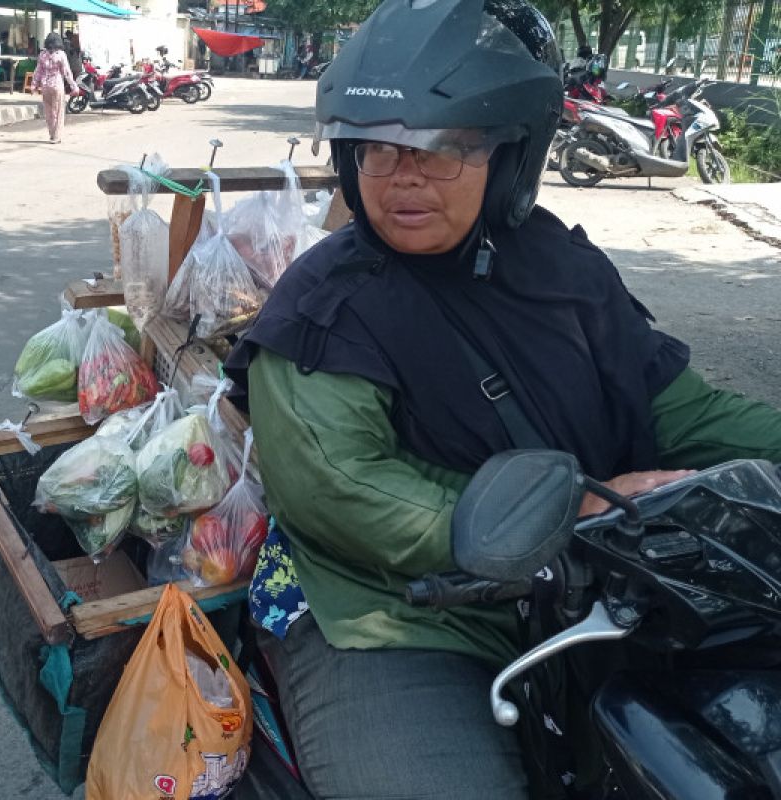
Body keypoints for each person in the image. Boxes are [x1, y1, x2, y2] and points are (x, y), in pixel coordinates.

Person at [225, 0, 781, 797]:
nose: (405, 178)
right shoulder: (327, 306)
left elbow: (676, 409)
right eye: (378, 151)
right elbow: (342, 488)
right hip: (399, 614)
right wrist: (574, 510)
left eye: (446, 148)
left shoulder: (562, 267)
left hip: (601, 582)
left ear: (512, 158)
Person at [33, 32, 80, 145]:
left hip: (45, 87)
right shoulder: (61, 54)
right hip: (57, 86)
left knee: (49, 112)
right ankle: (57, 136)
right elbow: (67, 72)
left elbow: (38, 71)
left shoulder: (42, 55)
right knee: (59, 111)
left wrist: (34, 85)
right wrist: (74, 86)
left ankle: (52, 134)